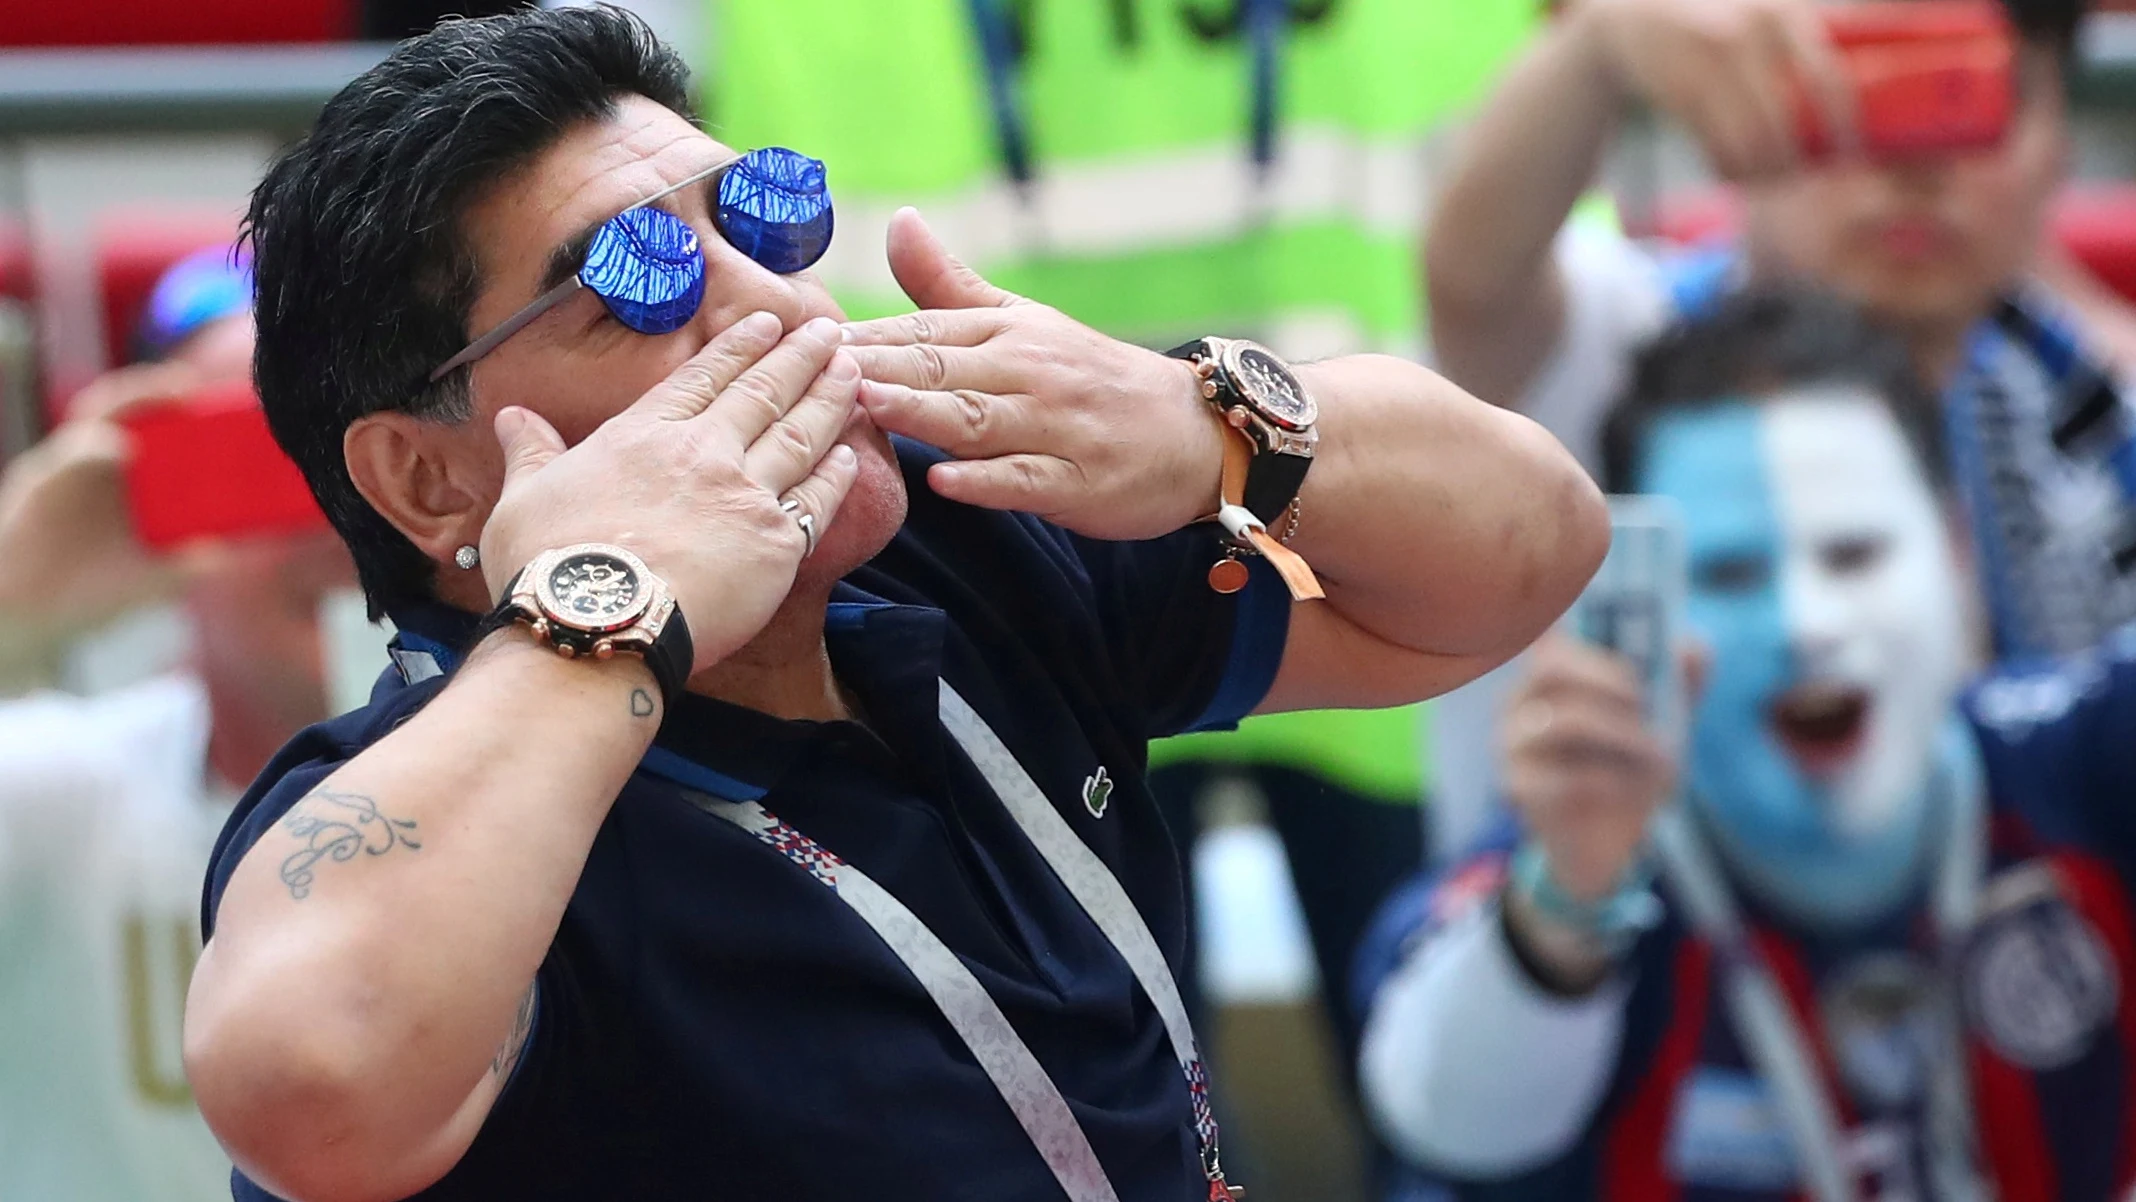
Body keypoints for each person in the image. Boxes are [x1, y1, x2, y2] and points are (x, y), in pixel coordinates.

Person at [177, 10, 1606, 1202]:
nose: (782, 309)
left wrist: (1206, 418)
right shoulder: (412, 797)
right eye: (639, 279)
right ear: (428, 480)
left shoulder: (952, 549)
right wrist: (607, 603)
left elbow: (1528, 548)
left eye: (764, 219)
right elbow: (309, 1084)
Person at [1355, 287, 2136, 1202]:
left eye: (1855, 555)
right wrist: (1567, 907)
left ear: (1959, 560)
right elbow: (1443, 1127)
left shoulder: (2088, 760)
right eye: (1731, 572)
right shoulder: (1575, 861)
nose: (1806, 624)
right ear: (1638, 604)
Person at [1424, 0, 2114, 661]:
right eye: (1860, 78)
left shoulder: (2099, 420)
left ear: (2058, 149)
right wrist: (1597, 45)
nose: (1916, 162)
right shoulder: (1621, 343)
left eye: (1965, 95)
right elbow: (1472, 279)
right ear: (1740, 99)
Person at [0, 251, 352, 1202]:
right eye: (260, 456)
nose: (335, 513)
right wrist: (10, 613)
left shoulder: (587, 779)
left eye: (360, 435)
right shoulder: (59, 795)